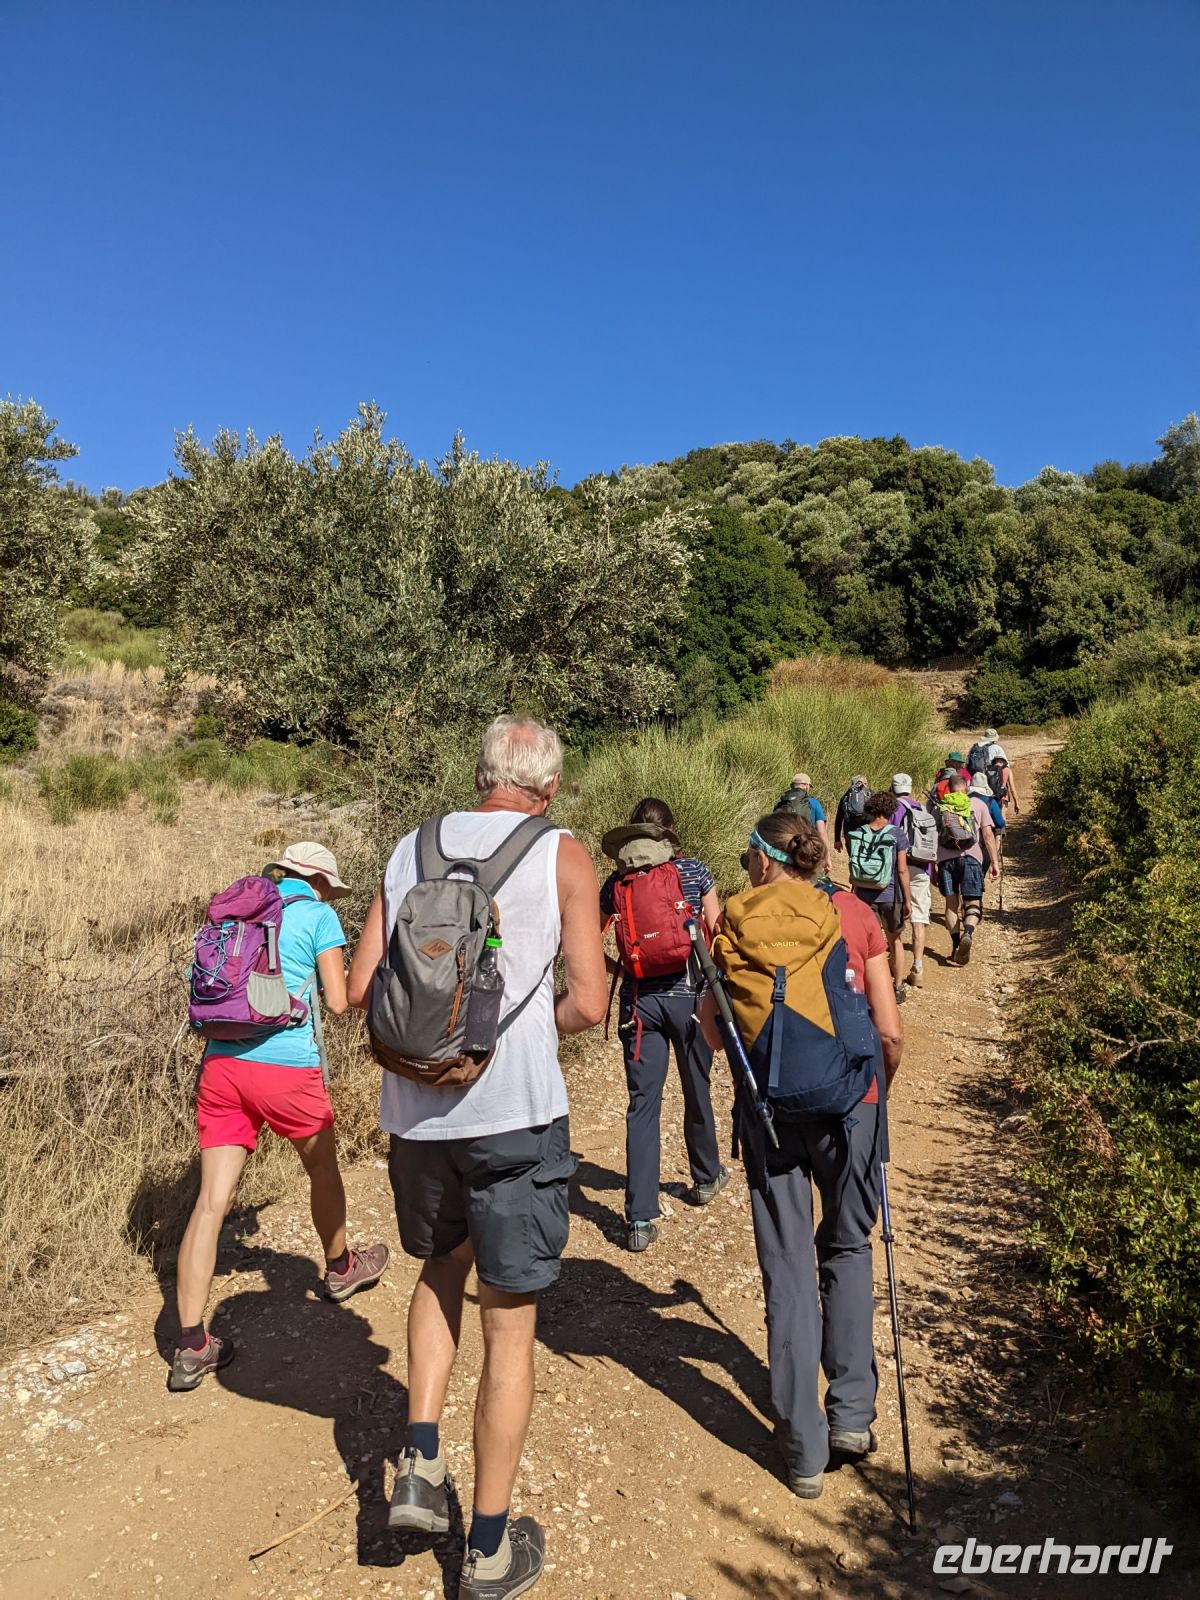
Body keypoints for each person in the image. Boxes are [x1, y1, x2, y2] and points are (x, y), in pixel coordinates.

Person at [347, 715, 607, 1600]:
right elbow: (589, 1002)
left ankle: (419, 1461)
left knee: (437, 1270)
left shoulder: (407, 847)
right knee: (510, 1325)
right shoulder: (565, 855)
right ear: (550, 786)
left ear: (479, 774)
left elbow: (359, 991)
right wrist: (516, 1036)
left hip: (416, 1121)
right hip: (514, 1116)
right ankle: (489, 1551)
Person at [701, 812, 903, 1500]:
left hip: (768, 1111)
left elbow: (710, 1025)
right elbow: (890, 1031)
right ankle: (851, 1415)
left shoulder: (736, 918)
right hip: (854, 1105)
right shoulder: (851, 913)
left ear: (763, 859)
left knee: (786, 1267)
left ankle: (804, 1449)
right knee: (846, 1248)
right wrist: (873, 1100)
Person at [171, 842, 389, 1393]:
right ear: (317, 881)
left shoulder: (240, 913)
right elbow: (339, 1002)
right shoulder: (318, 915)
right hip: (288, 1072)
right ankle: (341, 1268)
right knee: (322, 1170)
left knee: (211, 1201)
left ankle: (192, 1344)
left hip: (222, 1067)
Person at [599, 798, 727, 1253]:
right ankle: (706, 1177)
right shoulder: (693, 872)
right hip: (691, 1000)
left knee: (642, 1106)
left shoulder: (617, 882)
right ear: (670, 833)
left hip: (639, 1005)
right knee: (697, 1088)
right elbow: (716, 929)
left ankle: (639, 1220)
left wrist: (619, 972)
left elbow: (584, 940)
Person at [847, 791, 912, 1003]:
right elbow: (902, 869)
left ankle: (872, 988)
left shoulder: (859, 832)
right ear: (890, 811)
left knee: (870, 946)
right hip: (891, 894)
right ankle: (898, 986)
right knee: (895, 941)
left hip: (864, 894)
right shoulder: (896, 834)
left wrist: (854, 889)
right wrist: (908, 900)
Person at [935, 772, 999, 966]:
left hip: (945, 860)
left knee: (951, 904)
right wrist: (994, 862)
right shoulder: (978, 805)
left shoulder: (939, 808)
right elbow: (988, 836)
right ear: (967, 786)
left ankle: (955, 946)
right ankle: (968, 933)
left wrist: (931, 866)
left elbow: (931, 839)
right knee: (973, 902)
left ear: (949, 788)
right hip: (971, 858)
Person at [889, 774, 933, 989]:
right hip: (922, 866)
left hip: (899, 868)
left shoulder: (891, 810)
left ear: (892, 788)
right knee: (919, 917)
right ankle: (918, 966)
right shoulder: (921, 809)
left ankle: (893, 962)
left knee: (895, 915)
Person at [774, 771, 830, 871]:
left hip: (784, 850)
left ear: (792, 786)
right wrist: (826, 856)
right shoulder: (813, 803)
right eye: (808, 785)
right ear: (805, 786)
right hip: (806, 849)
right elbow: (821, 832)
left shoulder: (781, 803)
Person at [833, 774, 872, 857]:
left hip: (850, 832)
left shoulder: (846, 796)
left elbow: (839, 819)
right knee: (868, 859)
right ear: (866, 783)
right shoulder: (871, 794)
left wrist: (837, 839)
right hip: (868, 832)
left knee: (854, 858)